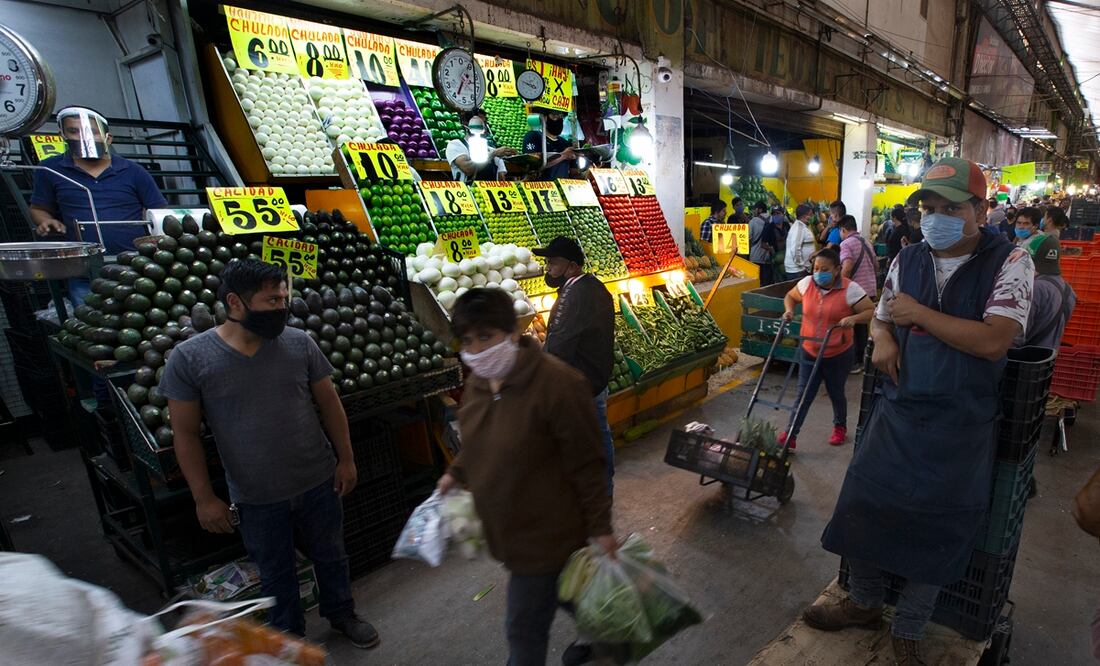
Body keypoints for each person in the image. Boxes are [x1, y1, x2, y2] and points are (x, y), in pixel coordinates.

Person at [804, 158, 1033, 664]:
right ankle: (863, 602)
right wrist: (883, 337)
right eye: (928, 207)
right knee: (863, 508)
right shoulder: (908, 260)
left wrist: (918, 316)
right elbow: (884, 316)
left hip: (960, 425)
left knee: (938, 530)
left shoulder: (1011, 263)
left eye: (949, 208)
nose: (934, 217)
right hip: (901, 412)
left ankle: (908, 626)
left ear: (980, 208)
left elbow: (996, 341)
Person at [160, 259, 377, 647]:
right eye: (271, 300)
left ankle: (342, 613)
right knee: (276, 573)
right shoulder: (190, 359)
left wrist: (345, 459)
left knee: (332, 555)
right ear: (235, 303)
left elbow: (329, 403)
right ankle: (289, 639)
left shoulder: (298, 342)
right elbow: (186, 434)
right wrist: (203, 497)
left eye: (283, 298)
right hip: (256, 495)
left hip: (317, 478)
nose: (281, 307)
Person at [436, 288, 616, 666]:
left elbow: (588, 462)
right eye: (468, 340)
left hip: (546, 534)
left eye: (486, 336)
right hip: (513, 533)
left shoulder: (559, 384)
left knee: (524, 631)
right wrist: (456, 473)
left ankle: (604, 635)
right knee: (573, 593)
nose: (478, 350)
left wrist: (601, 527)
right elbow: (480, 439)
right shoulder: (480, 384)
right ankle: (604, 635)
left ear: (513, 333)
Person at [30, 106, 168, 304]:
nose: (83, 137)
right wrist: (47, 221)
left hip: (135, 264)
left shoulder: (134, 171)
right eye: (73, 131)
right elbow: (38, 209)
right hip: (84, 270)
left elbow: (159, 211)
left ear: (108, 138)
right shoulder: (50, 170)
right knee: (92, 323)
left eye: (92, 132)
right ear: (62, 135)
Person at [534, 237, 616, 493]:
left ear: (572, 266)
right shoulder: (594, 286)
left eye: (553, 262)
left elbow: (557, 347)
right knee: (600, 437)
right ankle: (605, 490)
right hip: (596, 380)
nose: (548, 268)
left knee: (586, 448)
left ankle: (597, 498)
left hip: (580, 387)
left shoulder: (572, 295)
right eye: (547, 262)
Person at [780, 248, 874, 450]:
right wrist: (789, 310)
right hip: (809, 350)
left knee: (836, 392)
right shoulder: (806, 284)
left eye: (824, 269)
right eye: (816, 268)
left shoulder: (851, 289)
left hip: (837, 354)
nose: (818, 272)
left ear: (837, 269)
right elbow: (790, 296)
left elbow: (870, 311)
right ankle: (791, 434)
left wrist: (853, 318)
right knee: (803, 394)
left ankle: (840, 427)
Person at [1019, 232, 1075, 349]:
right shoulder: (1069, 291)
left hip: (1025, 360)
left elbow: (1017, 336)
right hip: (1049, 357)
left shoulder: (1035, 288)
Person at [838, 215, 878, 371]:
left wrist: (839, 286)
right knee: (861, 325)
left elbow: (847, 267)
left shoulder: (846, 244)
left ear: (843, 229)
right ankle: (861, 360)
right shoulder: (866, 241)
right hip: (870, 288)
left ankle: (853, 362)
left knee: (852, 325)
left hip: (856, 291)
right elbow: (875, 265)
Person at [446, 109, 515, 182]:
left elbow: (502, 183)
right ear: (466, 123)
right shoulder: (456, 145)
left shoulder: (492, 152)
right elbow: (468, 169)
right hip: (468, 192)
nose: (482, 127)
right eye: (477, 123)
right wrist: (492, 154)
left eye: (483, 123)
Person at [523, 109, 575, 181]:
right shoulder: (533, 137)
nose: (558, 119)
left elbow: (574, 171)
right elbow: (532, 166)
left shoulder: (565, 143)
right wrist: (563, 155)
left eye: (561, 116)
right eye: (554, 116)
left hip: (561, 188)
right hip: (540, 187)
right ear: (544, 117)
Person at [784, 203, 817, 280]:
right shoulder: (799, 228)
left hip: (799, 270)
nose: (812, 217)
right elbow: (795, 249)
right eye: (811, 214)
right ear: (805, 216)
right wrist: (803, 266)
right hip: (797, 271)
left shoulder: (802, 226)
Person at [748, 201, 776, 285]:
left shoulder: (753, 221)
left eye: (754, 209)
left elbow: (748, 238)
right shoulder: (773, 219)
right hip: (769, 256)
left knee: (756, 283)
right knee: (767, 283)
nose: (753, 211)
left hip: (755, 256)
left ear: (759, 210)